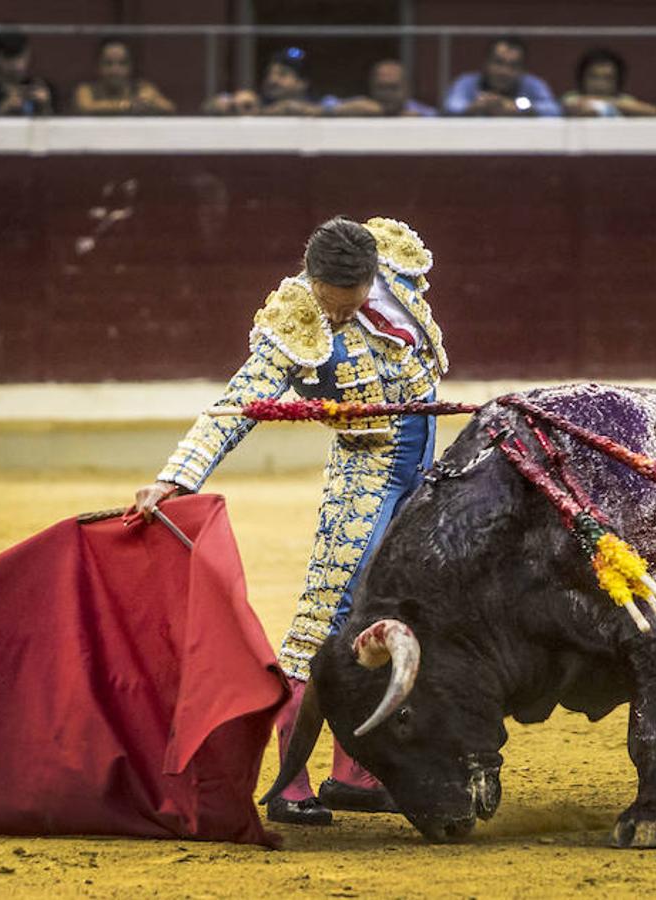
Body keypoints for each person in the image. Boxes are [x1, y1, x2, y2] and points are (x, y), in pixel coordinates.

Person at [131, 216, 448, 826]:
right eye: (328, 303)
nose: (333, 316)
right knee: (323, 620)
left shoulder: (398, 276)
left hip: (422, 473)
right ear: (312, 280)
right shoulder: (295, 318)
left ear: (372, 278)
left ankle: (354, 771)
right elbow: (236, 404)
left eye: (346, 304)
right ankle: (287, 780)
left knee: (396, 612)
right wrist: (177, 476)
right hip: (364, 478)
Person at [442, 35, 560, 117]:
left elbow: (554, 110)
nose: (504, 71)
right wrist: (479, 106)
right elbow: (451, 106)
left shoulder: (533, 84)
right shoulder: (466, 83)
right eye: (498, 63)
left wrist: (518, 107)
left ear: (522, 69)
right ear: (486, 62)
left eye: (513, 66)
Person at [71, 37, 175, 116]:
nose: (115, 70)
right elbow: (86, 106)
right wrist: (127, 105)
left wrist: (148, 104)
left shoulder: (141, 88)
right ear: (97, 67)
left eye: (122, 63)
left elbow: (169, 108)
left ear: (131, 67)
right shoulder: (86, 90)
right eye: (108, 63)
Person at [560, 47, 656, 118]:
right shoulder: (571, 97)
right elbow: (577, 108)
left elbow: (653, 112)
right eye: (594, 77)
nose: (600, 84)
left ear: (618, 80)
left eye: (608, 78)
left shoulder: (625, 99)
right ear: (582, 78)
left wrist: (611, 103)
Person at [330, 59, 436, 117]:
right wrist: (337, 111)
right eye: (381, 87)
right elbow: (317, 109)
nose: (387, 93)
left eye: (393, 88)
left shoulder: (423, 113)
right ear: (371, 87)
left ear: (408, 89)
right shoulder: (359, 106)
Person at [0, 30, 54, 116]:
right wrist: (2, 110)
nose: (15, 64)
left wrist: (45, 108)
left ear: (28, 55)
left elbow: (61, 125)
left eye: (20, 57)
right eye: (9, 57)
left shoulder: (42, 86)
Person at [257, 47, 326, 116]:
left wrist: (302, 109)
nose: (272, 80)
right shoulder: (258, 104)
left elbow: (334, 107)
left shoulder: (322, 103)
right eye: (269, 73)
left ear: (303, 82)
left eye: (282, 74)